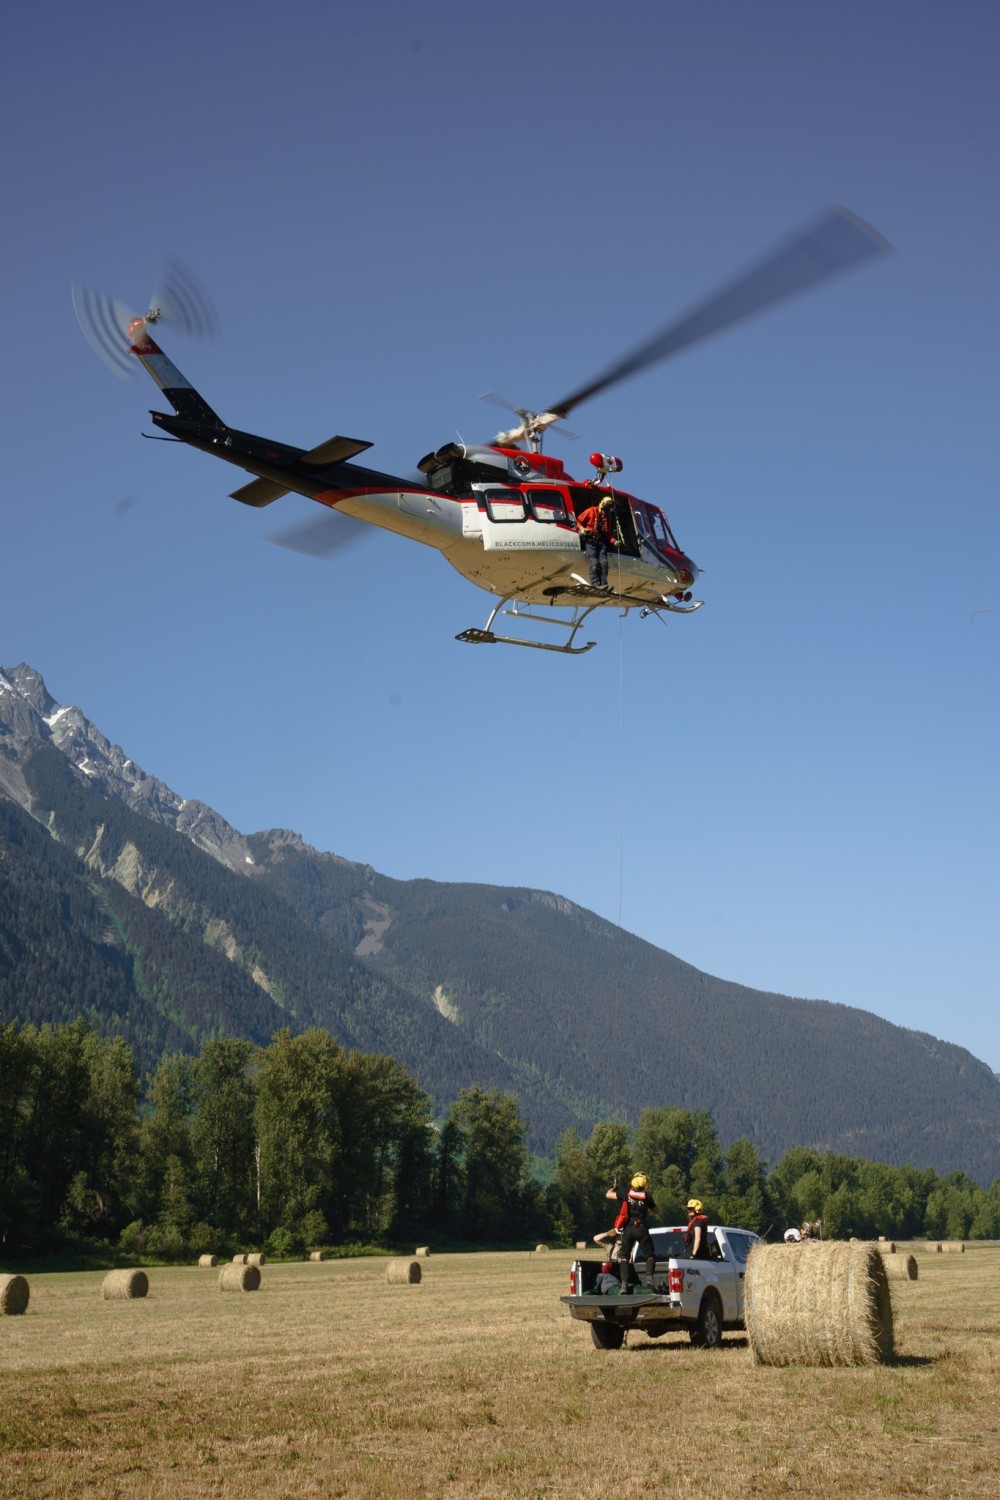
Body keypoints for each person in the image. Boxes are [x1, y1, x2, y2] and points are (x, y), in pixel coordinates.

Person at [606, 1173, 658, 1294]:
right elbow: (656, 1211)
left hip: (628, 1229)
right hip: (641, 1228)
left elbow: (608, 1195)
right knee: (649, 1255)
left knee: (624, 1258)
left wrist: (613, 1187)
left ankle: (623, 1286)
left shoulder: (625, 1193)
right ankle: (649, 1279)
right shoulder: (647, 1197)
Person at [576, 493, 619, 589]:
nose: (606, 513)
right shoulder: (591, 511)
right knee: (594, 562)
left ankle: (604, 584)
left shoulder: (607, 518)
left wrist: (614, 542)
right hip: (591, 542)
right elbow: (578, 521)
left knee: (604, 563)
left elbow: (608, 535)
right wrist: (582, 529)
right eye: (605, 510)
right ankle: (595, 584)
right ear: (602, 506)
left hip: (601, 542)